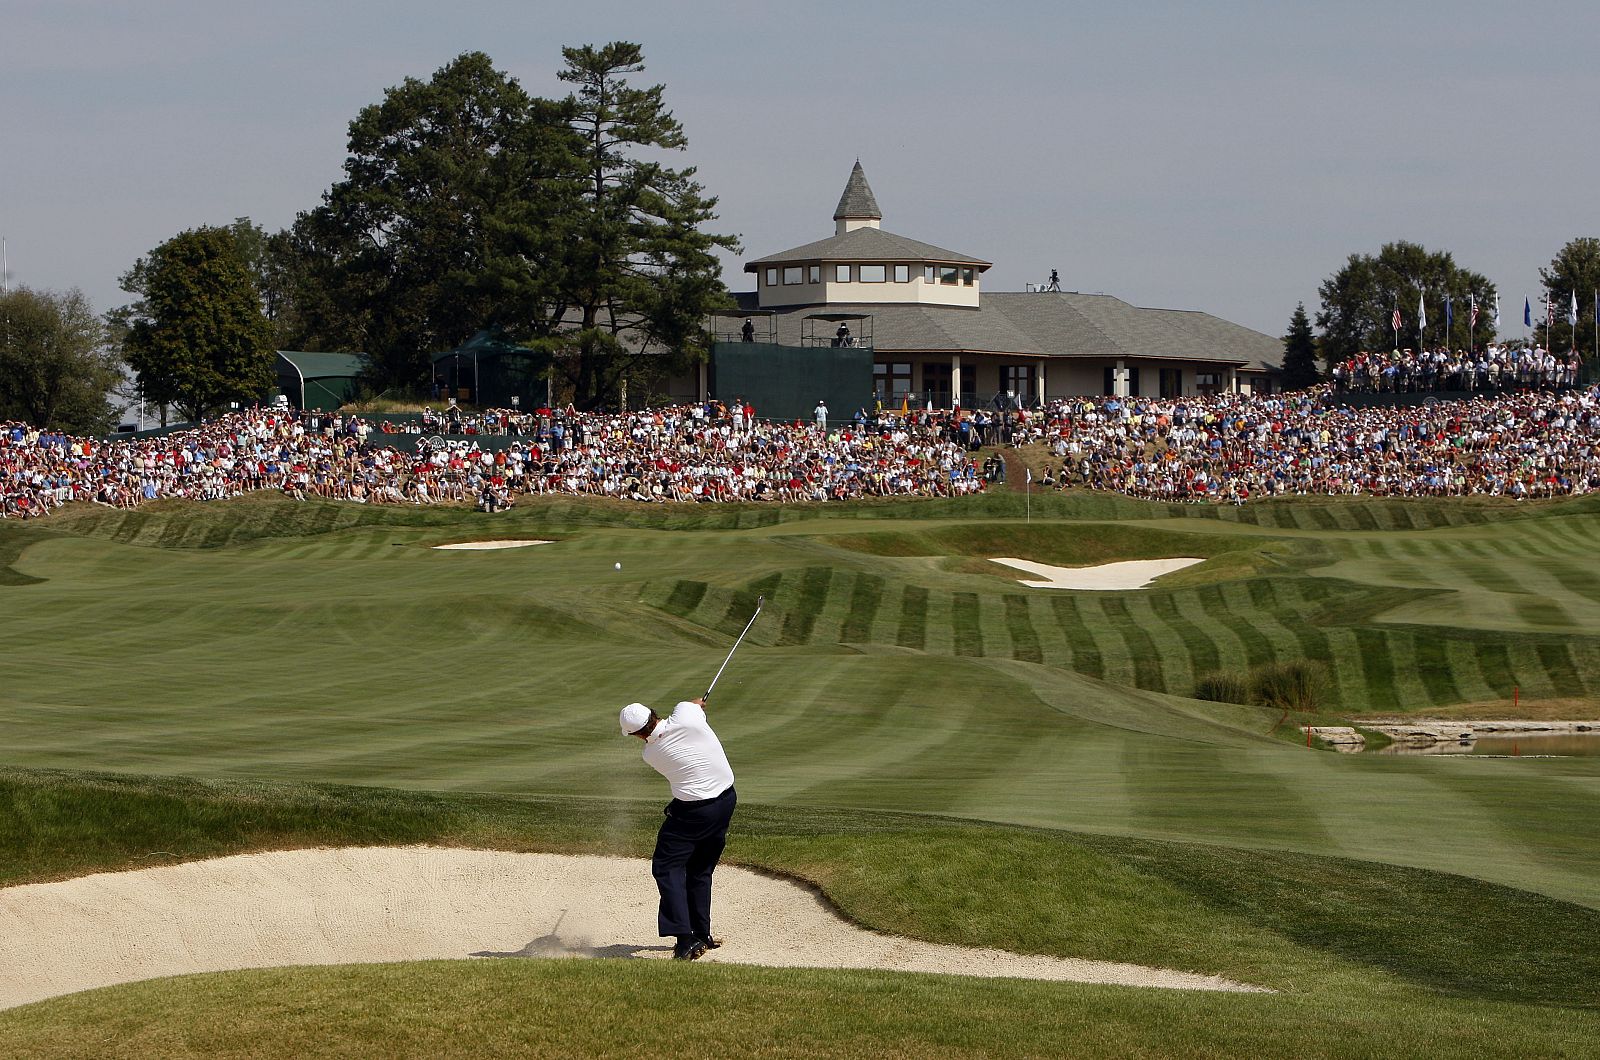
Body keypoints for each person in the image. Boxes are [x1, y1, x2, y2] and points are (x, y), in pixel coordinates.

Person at [620, 698, 737, 961]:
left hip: (694, 812)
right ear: (653, 713)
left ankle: (685, 940)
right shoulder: (686, 713)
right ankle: (701, 933)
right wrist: (696, 705)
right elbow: (693, 706)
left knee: (666, 866)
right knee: (699, 869)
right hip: (726, 800)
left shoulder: (650, 754)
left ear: (637, 734)